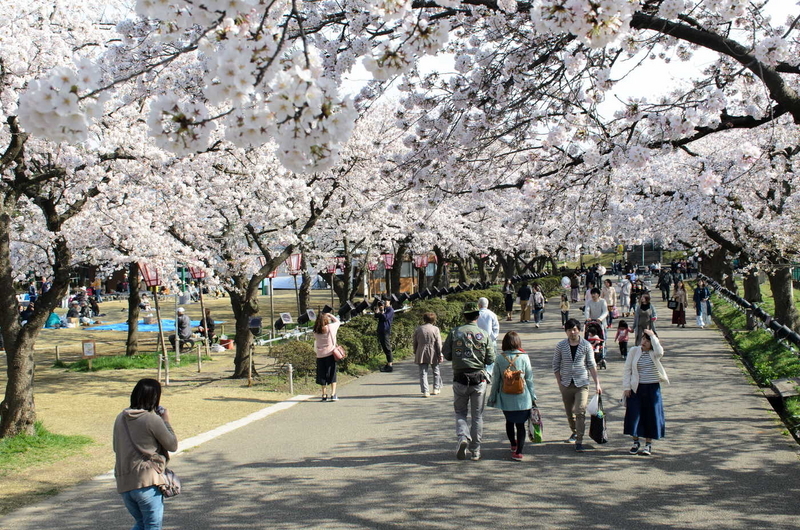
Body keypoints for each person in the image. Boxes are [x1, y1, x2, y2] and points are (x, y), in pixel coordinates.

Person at [113, 378, 178, 530]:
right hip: (147, 482)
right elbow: (172, 445)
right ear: (155, 397)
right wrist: (166, 421)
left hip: (125, 483)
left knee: (141, 523)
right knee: (152, 525)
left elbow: (116, 447)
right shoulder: (151, 419)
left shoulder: (120, 418)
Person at [443, 301, 496, 461]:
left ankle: (462, 437)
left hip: (459, 378)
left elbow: (447, 354)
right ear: (477, 316)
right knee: (477, 416)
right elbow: (490, 358)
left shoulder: (455, 332)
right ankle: (476, 450)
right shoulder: (483, 334)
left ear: (464, 316)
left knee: (460, 412)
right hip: (478, 379)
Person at [552, 318, 602, 453]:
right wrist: (560, 383)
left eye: (574, 329)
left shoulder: (586, 345)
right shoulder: (561, 345)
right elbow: (556, 365)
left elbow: (591, 364)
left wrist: (597, 383)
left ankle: (579, 439)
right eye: (569, 330)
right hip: (566, 383)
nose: (572, 332)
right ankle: (574, 431)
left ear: (579, 330)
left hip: (582, 383)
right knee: (570, 413)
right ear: (566, 332)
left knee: (580, 411)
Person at [487, 331, 537, 461]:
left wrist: (492, 396)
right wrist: (533, 396)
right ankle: (519, 452)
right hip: (523, 396)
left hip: (506, 396)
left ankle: (513, 444)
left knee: (509, 421)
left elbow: (496, 380)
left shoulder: (499, 358)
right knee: (520, 425)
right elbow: (529, 378)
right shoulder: (524, 357)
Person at [622, 329, 669, 456]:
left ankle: (648, 444)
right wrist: (626, 387)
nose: (644, 342)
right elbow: (627, 369)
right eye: (643, 339)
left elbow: (660, 351)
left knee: (651, 416)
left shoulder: (655, 353)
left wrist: (653, 336)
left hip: (652, 388)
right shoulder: (634, 351)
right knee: (634, 415)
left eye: (648, 341)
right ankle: (635, 442)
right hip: (636, 388)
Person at [413, 312, 443, 397]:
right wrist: (440, 354)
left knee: (423, 372)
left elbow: (415, 342)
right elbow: (438, 343)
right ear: (434, 320)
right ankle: (436, 388)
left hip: (421, 351)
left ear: (424, 319)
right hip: (433, 350)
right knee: (436, 371)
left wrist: (415, 351)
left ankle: (425, 391)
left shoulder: (418, 329)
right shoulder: (435, 329)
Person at [313, 313, 342, 401]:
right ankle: (333, 394)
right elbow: (338, 321)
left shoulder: (315, 331)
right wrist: (330, 314)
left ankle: (324, 394)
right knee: (332, 373)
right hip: (330, 354)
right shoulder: (330, 328)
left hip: (320, 355)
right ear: (326, 320)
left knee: (322, 374)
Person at [376, 299, 395, 372]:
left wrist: (382, 311)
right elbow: (376, 316)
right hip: (381, 330)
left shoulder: (390, 310)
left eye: (386, 301)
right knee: (384, 347)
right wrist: (378, 308)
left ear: (389, 301)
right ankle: (388, 363)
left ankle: (390, 365)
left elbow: (385, 317)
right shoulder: (384, 309)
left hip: (386, 330)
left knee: (387, 348)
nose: (384, 303)